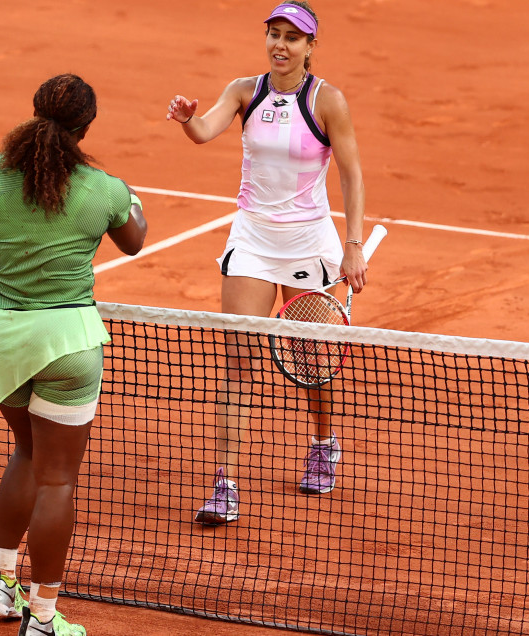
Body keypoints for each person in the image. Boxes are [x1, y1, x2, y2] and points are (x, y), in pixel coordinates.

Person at [0, 73, 148, 636]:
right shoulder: (102, 188)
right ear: (86, 127)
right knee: (58, 479)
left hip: (0, 340)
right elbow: (135, 239)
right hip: (66, 346)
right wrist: (130, 194)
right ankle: (42, 617)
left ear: (36, 112)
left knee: (26, 456)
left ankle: (2, 581)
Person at [165, 1, 368, 524]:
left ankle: (323, 441)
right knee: (238, 362)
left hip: (308, 243)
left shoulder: (328, 101)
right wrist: (188, 121)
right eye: (274, 34)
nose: (280, 45)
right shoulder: (244, 91)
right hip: (252, 239)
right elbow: (206, 130)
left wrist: (353, 244)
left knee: (312, 364)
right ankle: (225, 484)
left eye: (292, 38)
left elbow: (350, 173)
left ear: (310, 46)